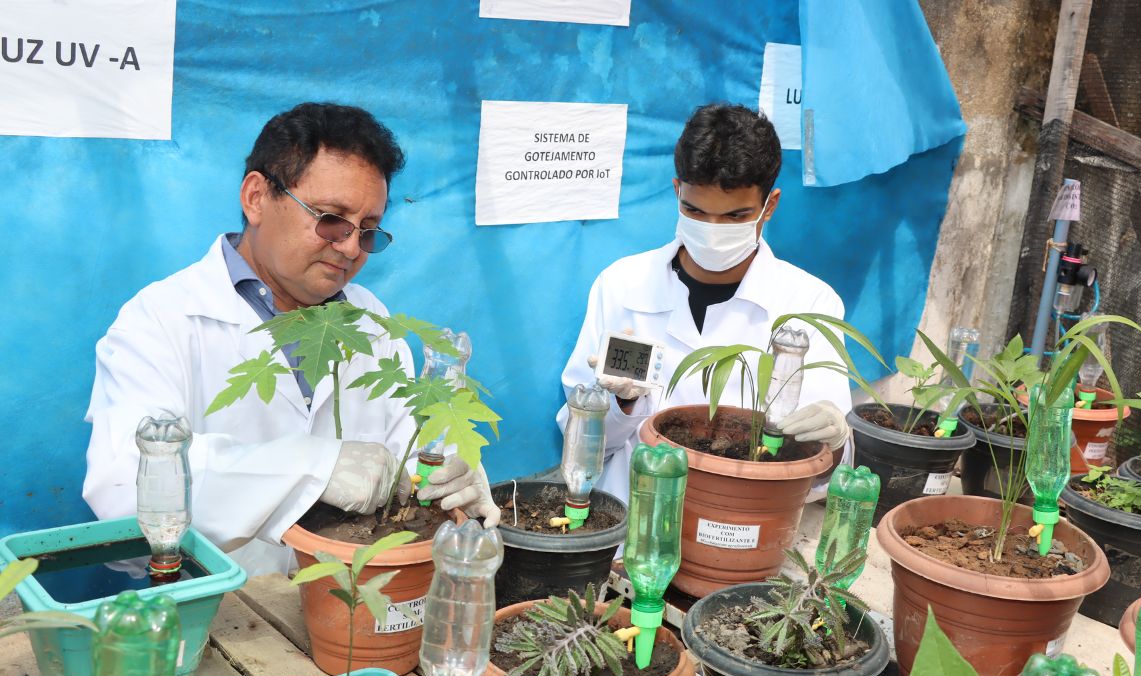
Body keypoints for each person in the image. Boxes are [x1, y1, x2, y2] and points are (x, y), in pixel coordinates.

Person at [84, 103, 498, 577]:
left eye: (367, 231)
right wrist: (312, 466)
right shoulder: (160, 321)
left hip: (356, 598)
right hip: (224, 616)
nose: (348, 248)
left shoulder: (369, 320)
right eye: (331, 219)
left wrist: (449, 471)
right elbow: (123, 497)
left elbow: (408, 457)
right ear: (256, 196)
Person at [557, 103, 853, 504]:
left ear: (770, 205)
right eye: (695, 211)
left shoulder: (808, 303)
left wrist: (835, 439)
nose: (712, 232)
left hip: (741, 518)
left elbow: (822, 473)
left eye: (735, 216)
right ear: (677, 191)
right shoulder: (622, 284)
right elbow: (581, 441)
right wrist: (621, 405)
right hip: (630, 515)